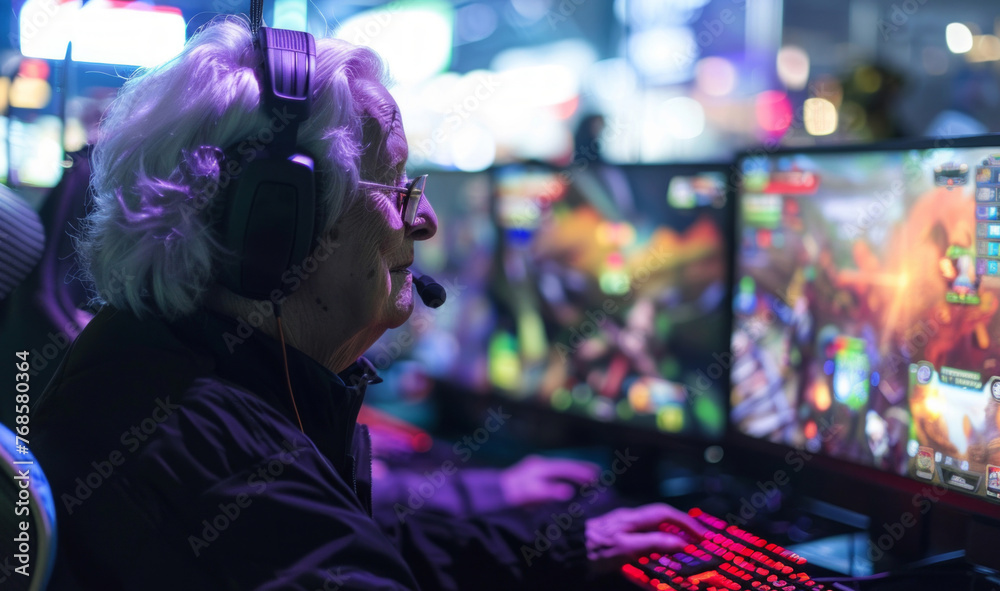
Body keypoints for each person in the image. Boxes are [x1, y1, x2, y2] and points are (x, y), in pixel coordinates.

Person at [33, 17, 704, 590]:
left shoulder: (166, 369)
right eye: (399, 189)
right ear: (278, 225)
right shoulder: (207, 459)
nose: (429, 221)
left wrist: (558, 551)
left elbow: (340, 536)